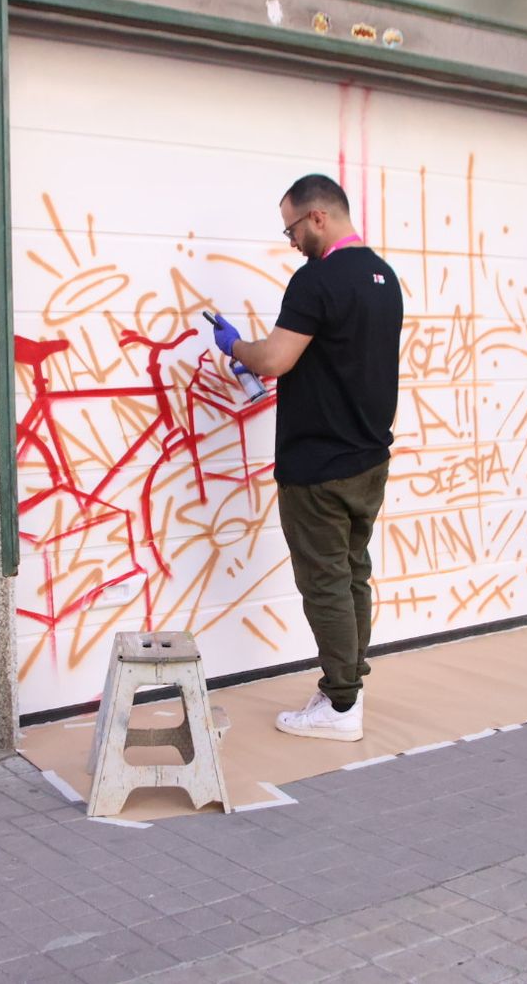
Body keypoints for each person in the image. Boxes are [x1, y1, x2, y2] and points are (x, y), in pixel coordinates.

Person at [209, 174, 403, 741]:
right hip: (369, 458)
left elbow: (273, 358)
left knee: (325, 584)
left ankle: (341, 707)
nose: (291, 239)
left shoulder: (316, 280)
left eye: (292, 227)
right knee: (351, 577)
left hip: (319, 466)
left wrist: (235, 347)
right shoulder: (384, 278)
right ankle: (346, 685)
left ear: (318, 216)